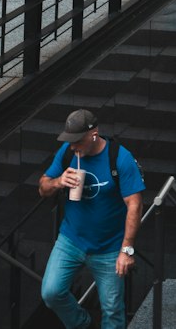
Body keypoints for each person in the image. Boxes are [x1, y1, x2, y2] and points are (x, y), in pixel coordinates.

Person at [38, 108, 143, 329]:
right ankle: (82, 323)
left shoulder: (120, 158)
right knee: (51, 292)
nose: (73, 146)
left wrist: (127, 250)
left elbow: (135, 204)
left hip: (110, 248)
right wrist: (58, 182)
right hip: (71, 240)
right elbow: (43, 187)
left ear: (94, 134)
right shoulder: (67, 152)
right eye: (70, 141)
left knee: (113, 311)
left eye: (77, 141)